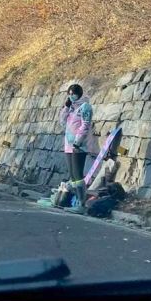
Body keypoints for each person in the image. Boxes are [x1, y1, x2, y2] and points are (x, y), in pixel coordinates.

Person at [58, 83, 97, 214]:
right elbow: (62, 122)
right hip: (68, 145)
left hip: (79, 146)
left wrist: (78, 142)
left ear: (79, 93)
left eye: (73, 94)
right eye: (69, 94)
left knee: (78, 174)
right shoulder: (72, 108)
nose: (71, 96)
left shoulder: (85, 107)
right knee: (72, 175)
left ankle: (82, 202)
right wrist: (66, 107)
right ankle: (76, 200)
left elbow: (85, 125)